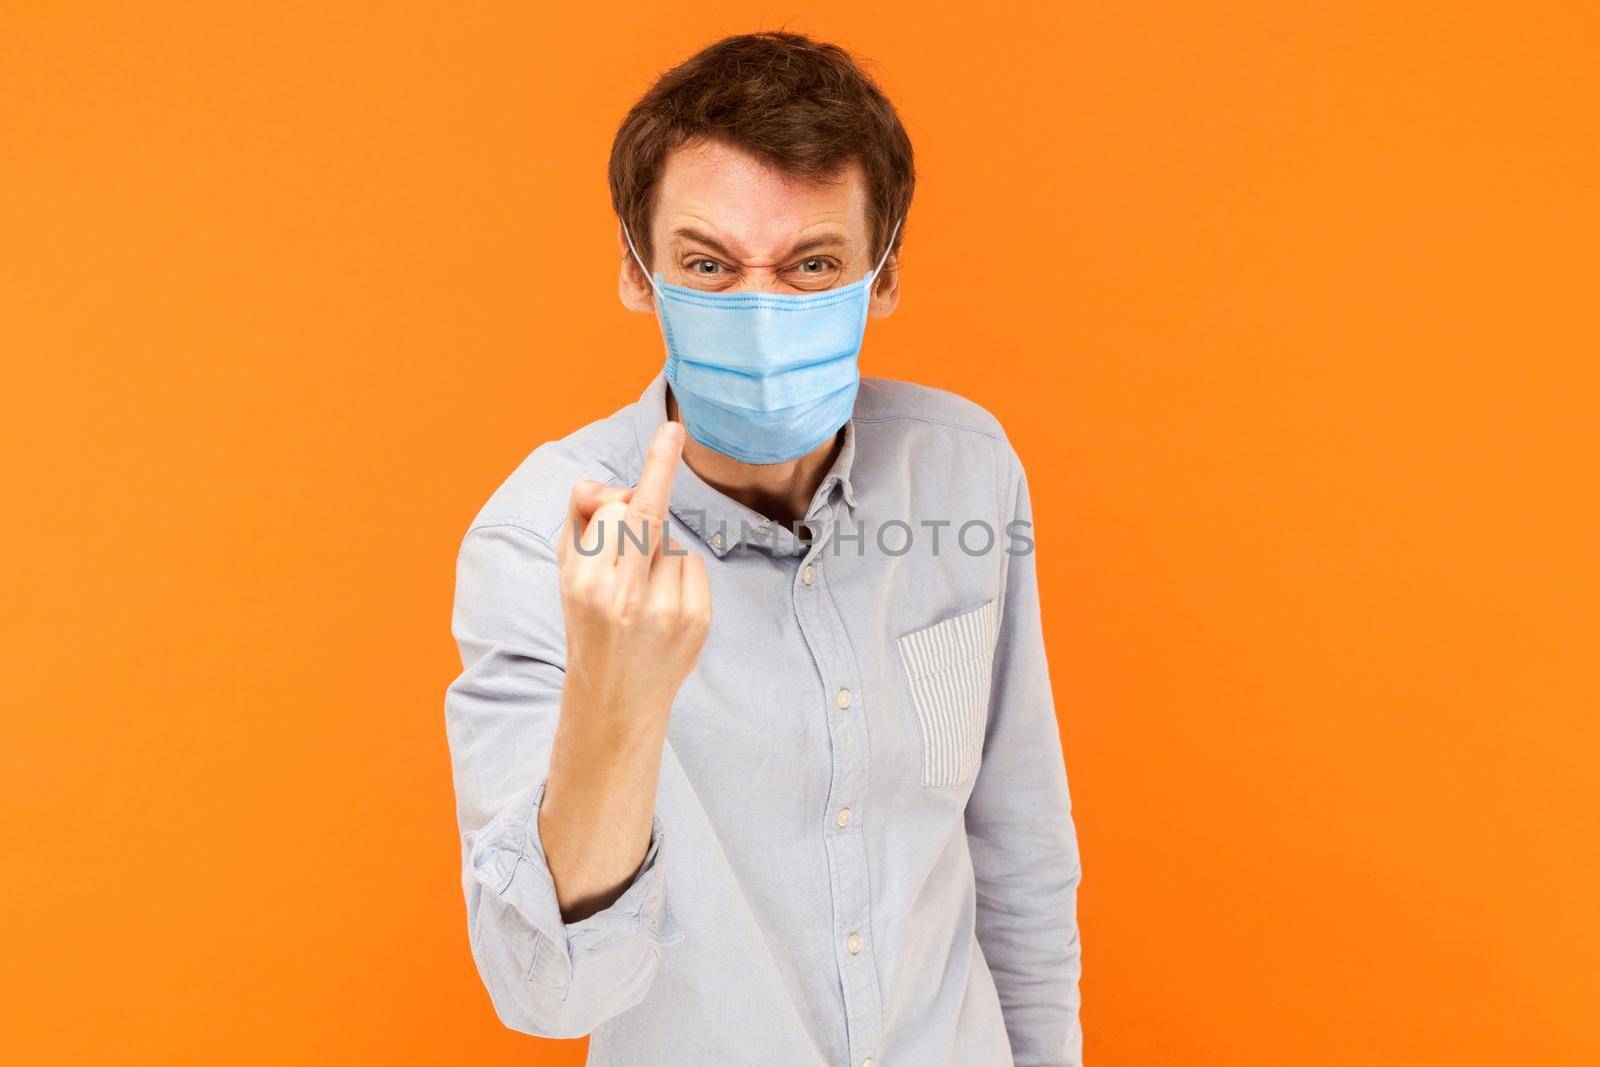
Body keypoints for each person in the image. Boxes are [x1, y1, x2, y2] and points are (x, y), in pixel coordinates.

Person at [444, 31, 1083, 1067]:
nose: (758, 309)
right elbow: (549, 993)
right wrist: (616, 690)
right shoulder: (540, 541)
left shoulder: (965, 471)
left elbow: (1020, 854)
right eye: (706, 264)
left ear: (881, 277)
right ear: (637, 273)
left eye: (810, 265)